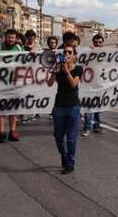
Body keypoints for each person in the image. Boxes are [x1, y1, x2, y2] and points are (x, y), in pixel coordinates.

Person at [46, 44, 82, 174]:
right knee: (58, 136)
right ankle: (64, 155)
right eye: (65, 52)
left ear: (74, 56)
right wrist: (53, 70)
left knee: (71, 138)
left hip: (73, 107)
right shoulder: (58, 70)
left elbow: (73, 84)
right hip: (59, 107)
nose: (67, 54)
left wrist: (66, 70)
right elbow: (49, 83)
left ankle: (70, 163)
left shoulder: (78, 69)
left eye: (69, 52)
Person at [0, 29, 23, 142]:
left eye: (12, 38)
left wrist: (32, 53)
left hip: (15, 83)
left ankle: (12, 131)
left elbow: (25, 61)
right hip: (1, 82)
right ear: (5, 37)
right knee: (1, 108)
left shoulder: (18, 48)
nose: (10, 40)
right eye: (8, 37)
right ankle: (1, 132)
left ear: (16, 38)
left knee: (13, 108)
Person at [82, 34, 106, 136]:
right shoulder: (88, 52)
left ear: (102, 43)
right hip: (89, 84)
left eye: (100, 42)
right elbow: (82, 63)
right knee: (88, 107)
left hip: (100, 84)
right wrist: (88, 52)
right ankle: (87, 128)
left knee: (98, 107)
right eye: (96, 42)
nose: (98, 44)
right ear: (93, 42)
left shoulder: (107, 53)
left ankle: (97, 126)